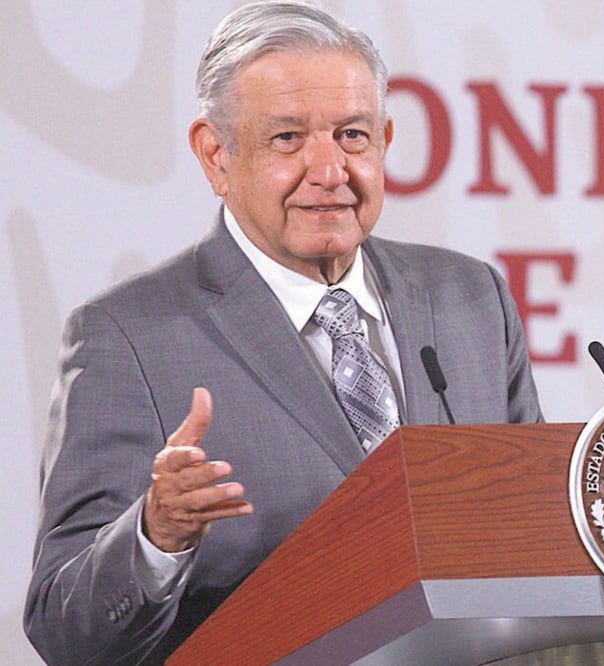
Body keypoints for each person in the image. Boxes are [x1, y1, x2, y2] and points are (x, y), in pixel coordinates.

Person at [24, 1, 544, 664]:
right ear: (216, 156)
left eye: (352, 135)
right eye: (287, 139)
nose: (330, 172)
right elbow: (63, 629)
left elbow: (535, 535)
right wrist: (156, 536)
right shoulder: (129, 338)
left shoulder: (471, 299)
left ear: (384, 140)